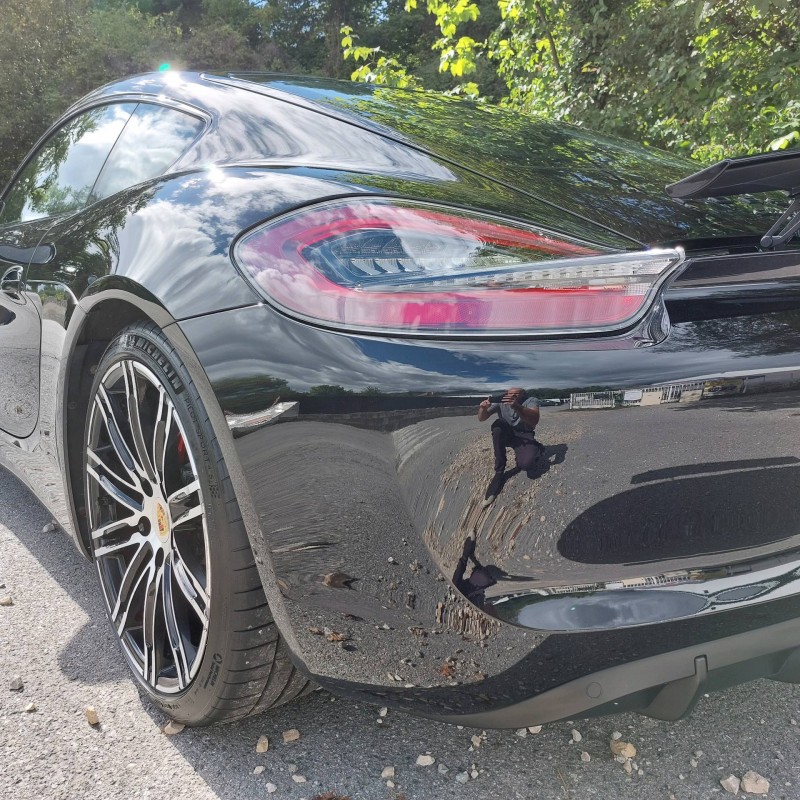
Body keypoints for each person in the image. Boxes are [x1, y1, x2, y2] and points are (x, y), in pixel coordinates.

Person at [478, 387, 542, 506]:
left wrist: (517, 406)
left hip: (524, 434)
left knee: (526, 464)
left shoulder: (531, 400)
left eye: (517, 394)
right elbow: (482, 418)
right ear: (506, 394)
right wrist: (482, 408)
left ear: (522, 394)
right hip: (508, 433)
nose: (513, 396)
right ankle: (499, 472)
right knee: (498, 426)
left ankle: (536, 448)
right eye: (510, 394)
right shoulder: (501, 401)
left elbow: (534, 420)